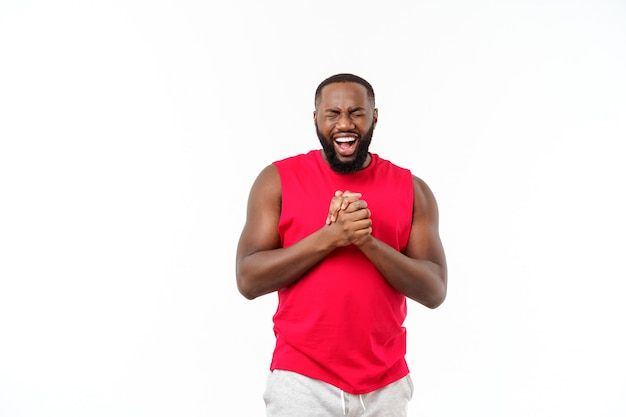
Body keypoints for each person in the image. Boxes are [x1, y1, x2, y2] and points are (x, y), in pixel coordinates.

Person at [235, 73, 447, 417]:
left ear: (374, 117)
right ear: (316, 118)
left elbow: (435, 290)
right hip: (302, 380)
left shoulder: (413, 190)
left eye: (356, 113)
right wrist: (330, 238)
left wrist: (366, 241)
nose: (344, 124)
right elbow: (247, 280)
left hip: (386, 383)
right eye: (332, 114)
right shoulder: (277, 180)